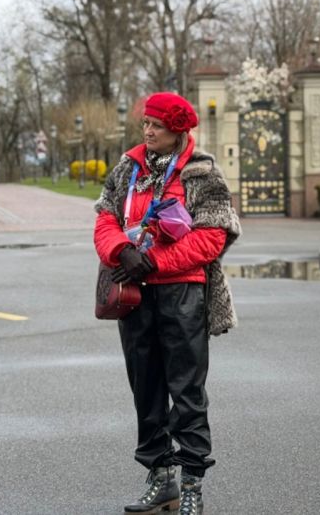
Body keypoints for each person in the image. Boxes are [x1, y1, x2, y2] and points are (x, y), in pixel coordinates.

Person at [93, 92, 240, 515]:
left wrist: (152, 262)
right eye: (146, 124)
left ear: (178, 130)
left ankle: (192, 480)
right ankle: (160, 478)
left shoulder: (202, 173)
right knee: (146, 388)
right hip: (134, 295)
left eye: (157, 125)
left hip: (182, 293)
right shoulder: (128, 168)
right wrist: (121, 251)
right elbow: (105, 218)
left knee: (187, 391)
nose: (149, 130)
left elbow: (212, 237)